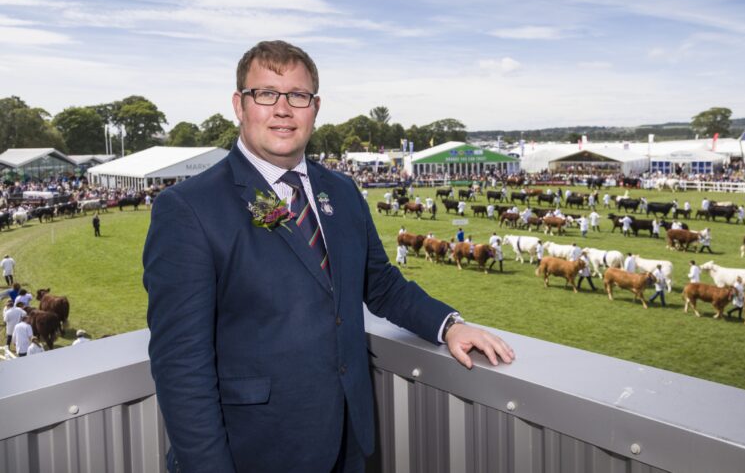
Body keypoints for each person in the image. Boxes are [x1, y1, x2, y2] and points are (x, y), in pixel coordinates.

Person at [143, 40, 514, 472]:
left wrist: (448, 325)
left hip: (346, 441)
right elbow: (180, 366)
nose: (283, 109)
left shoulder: (340, 191)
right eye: (266, 93)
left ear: (314, 108)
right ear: (239, 105)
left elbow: (380, 283)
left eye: (297, 96)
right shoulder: (189, 209)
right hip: (255, 452)